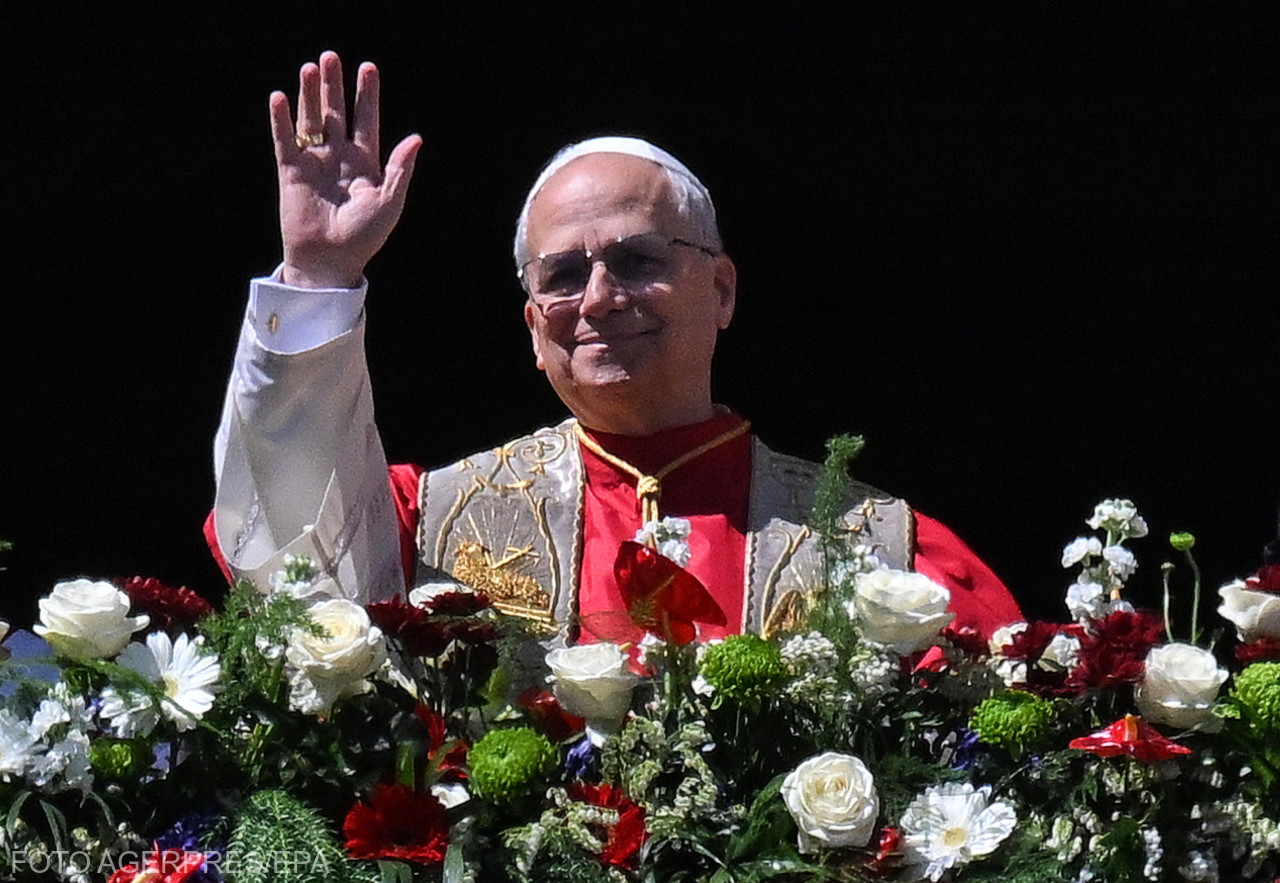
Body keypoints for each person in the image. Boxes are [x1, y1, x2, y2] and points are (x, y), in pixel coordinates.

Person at [209, 51, 1021, 643]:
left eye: (637, 260)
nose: (598, 298)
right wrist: (318, 276)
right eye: (562, 275)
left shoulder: (888, 551)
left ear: (723, 289)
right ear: (534, 327)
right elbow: (290, 552)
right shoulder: (421, 520)